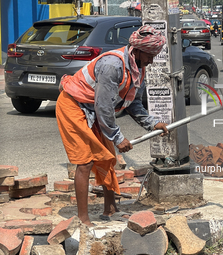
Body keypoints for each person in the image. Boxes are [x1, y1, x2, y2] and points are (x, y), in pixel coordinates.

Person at [56, 25, 168, 227]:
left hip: (96, 109)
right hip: (73, 105)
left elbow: (133, 102)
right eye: (150, 55)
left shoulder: (137, 68)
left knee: (107, 158)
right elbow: (103, 107)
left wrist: (152, 124)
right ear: (138, 49)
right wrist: (117, 138)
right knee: (85, 162)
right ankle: (83, 219)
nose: (151, 61)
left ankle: (110, 209)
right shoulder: (112, 65)